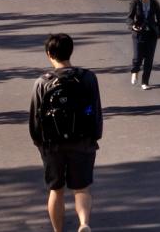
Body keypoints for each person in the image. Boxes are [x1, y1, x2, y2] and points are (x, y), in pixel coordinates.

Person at [29, 31, 102, 232]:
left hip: (53, 144)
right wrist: (94, 136)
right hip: (82, 141)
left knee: (56, 190)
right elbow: (95, 109)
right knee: (82, 188)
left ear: (49, 54)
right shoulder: (88, 78)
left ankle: (58, 230)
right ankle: (84, 223)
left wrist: (40, 143)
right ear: (71, 51)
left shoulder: (42, 82)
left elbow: (35, 117)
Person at [127, 0, 160, 88]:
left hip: (151, 34)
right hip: (138, 33)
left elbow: (159, 17)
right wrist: (132, 26)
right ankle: (135, 72)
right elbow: (130, 17)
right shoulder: (135, 2)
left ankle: (145, 82)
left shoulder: (154, 2)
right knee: (137, 57)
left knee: (149, 59)